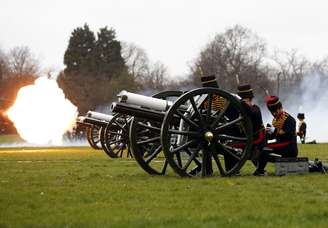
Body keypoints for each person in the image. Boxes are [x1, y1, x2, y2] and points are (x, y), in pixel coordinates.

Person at [255, 96, 298, 176]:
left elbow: (287, 136)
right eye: (272, 112)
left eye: (275, 111)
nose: (274, 114)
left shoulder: (289, 119)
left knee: (266, 149)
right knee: (262, 148)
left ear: (280, 108)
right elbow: (274, 137)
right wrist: (268, 132)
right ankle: (259, 169)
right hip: (282, 145)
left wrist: (274, 131)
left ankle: (260, 171)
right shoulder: (275, 120)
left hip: (289, 147)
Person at [237, 84, 266, 163]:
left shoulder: (255, 109)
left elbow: (251, 112)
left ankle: (260, 168)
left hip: (258, 138)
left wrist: (243, 103)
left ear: (249, 99)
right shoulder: (243, 107)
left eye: (244, 100)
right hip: (247, 137)